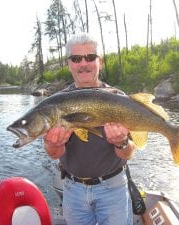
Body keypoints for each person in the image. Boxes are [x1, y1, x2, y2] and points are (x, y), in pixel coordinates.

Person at [44, 33, 137, 225]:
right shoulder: (56, 104)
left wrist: (121, 142)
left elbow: (128, 153)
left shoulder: (119, 98)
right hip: (73, 190)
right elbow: (54, 154)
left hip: (113, 190)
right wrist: (54, 143)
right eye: (76, 58)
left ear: (99, 62)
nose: (83, 63)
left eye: (90, 57)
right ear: (69, 63)